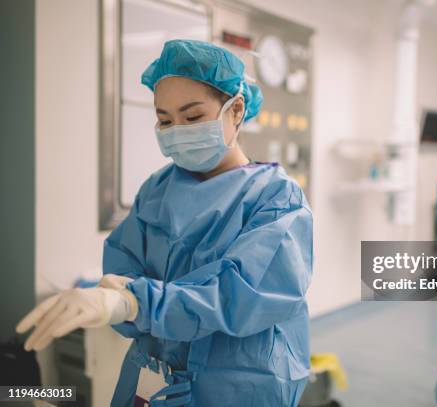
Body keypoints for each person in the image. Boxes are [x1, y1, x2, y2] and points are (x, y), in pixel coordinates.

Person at [16, 39, 313, 407]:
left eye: (192, 118)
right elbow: (125, 272)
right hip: (152, 380)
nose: (177, 130)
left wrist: (133, 303)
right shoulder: (158, 189)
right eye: (165, 120)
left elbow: (238, 295)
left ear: (236, 111)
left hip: (239, 384)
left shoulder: (277, 199)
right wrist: (113, 299)